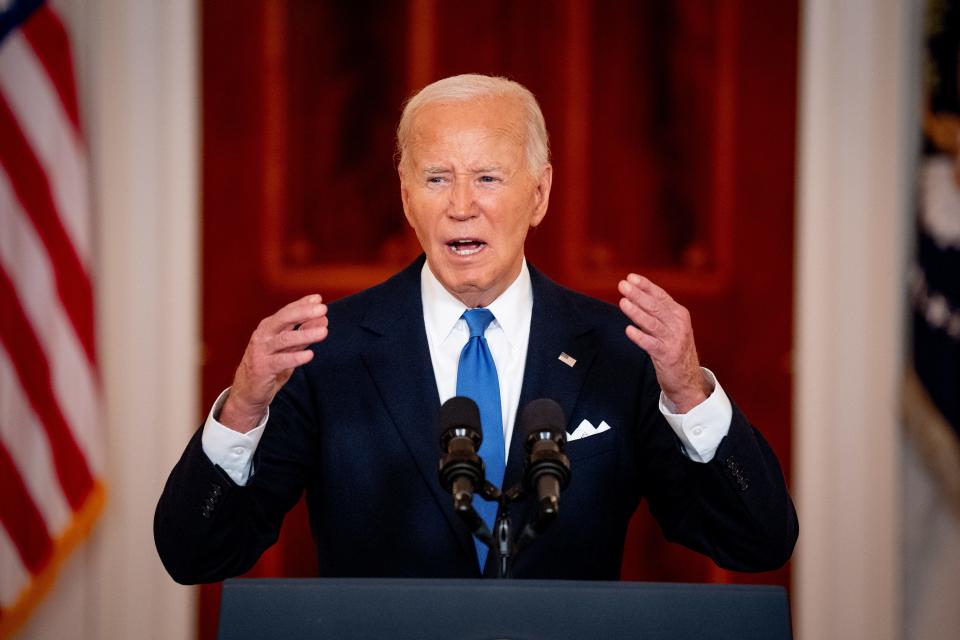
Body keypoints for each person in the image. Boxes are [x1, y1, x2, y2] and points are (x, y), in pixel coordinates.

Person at [154, 74, 797, 583]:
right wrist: (241, 410)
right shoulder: (326, 352)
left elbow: (756, 540)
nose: (462, 205)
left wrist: (690, 394)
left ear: (539, 195)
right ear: (407, 198)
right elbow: (196, 556)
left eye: (488, 178)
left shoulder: (616, 351)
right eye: (438, 178)